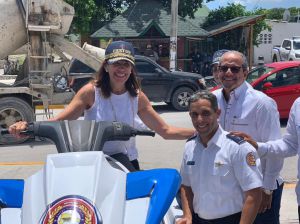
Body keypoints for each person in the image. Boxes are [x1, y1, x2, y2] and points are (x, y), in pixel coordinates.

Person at [9, 40, 195, 172]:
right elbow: (60, 121)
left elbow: (165, 130)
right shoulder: (91, 92)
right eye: (116, 64)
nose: (121, 69)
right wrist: (28, 126)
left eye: (126, 64)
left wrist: (200, 133)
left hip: (124, 161)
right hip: (93, 162)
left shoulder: (137, 97)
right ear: (106, 66)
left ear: (131, 69)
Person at [212, 50, 284, 224]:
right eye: (223, 68)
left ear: (245, 72)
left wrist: (267, 190)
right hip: (228, 187)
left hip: (258, 187)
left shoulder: (262, 103)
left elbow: (275, 148)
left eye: (235, 69)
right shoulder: (212, 99)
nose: (228, 73)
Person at [176, 90, 262, 224]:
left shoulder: (238, 148)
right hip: (199, 220)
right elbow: (186, 186)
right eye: (194, 114)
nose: (200, 119)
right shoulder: (190, 147)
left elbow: (254, 193)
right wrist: (187, 215)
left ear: (218, 113)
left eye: (206, 113)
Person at [231, 97, 300, 221]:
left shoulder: (263, 103)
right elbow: (291, 144)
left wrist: (268, 186)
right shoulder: (298, 104)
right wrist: (258, 146)